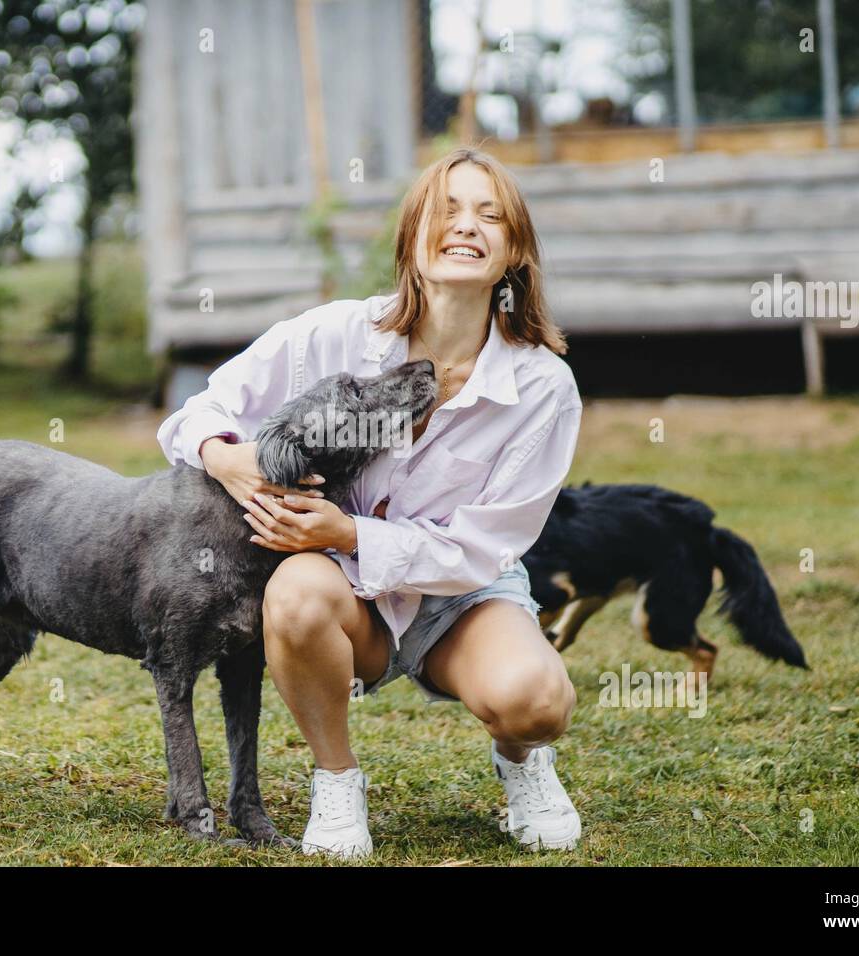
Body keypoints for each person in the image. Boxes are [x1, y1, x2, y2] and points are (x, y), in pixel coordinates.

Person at [157, 146, 583, 858]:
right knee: (292, 593)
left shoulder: (542, 389)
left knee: (536, 703)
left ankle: (521, 762)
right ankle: (336, 781)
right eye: (447, 210)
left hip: (460, 599)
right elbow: (200, 409)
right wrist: (230, 459)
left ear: (514, 252)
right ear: (413, 235)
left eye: (489, 215)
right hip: (344, 594)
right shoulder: (334, 334)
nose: (466, 226)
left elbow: (484, 549)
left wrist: (350, 531)